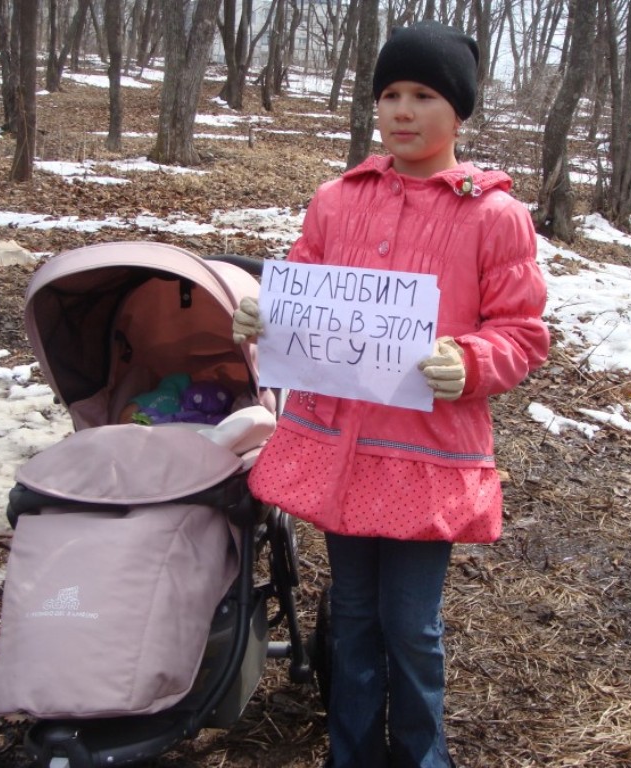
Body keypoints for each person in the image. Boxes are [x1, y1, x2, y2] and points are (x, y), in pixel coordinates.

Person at [232, 21, 549, 768]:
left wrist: (470, 362)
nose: (402, 111)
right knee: (353, 612)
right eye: (390, 94)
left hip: (423, 456)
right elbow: (305, 299)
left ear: (459, 112)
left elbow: (523, 332)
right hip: (340, 448)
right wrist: (262, 315)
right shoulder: (338, 201)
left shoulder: (493, 215)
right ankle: (352, 756)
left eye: (424, 94)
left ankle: (420, 755)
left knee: (411, 625)